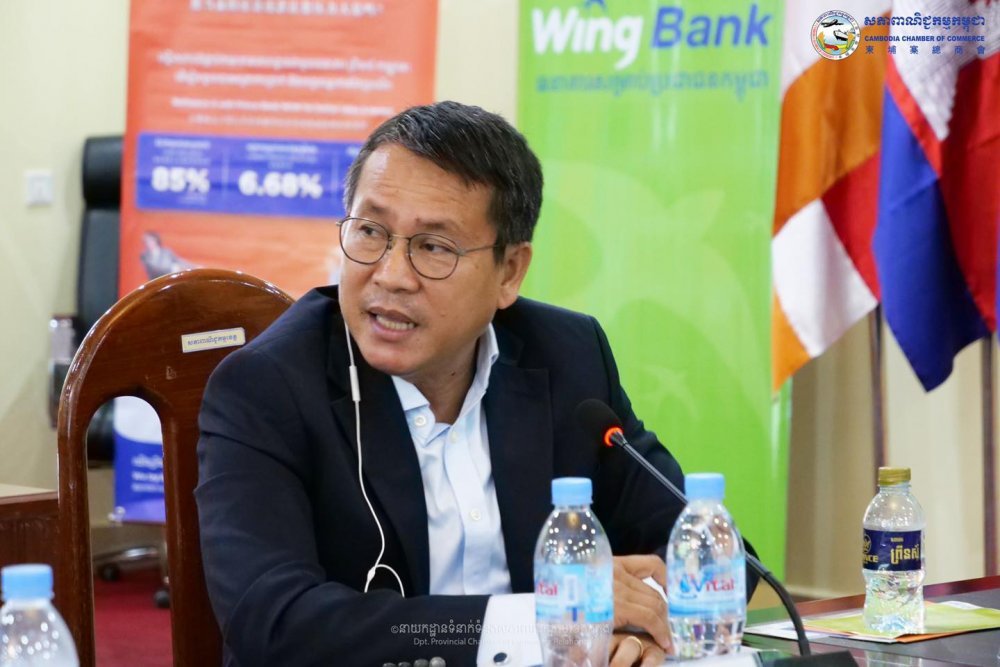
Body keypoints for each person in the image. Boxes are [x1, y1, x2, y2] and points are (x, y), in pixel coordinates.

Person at [196, 101, 752, 667]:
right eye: (369, 232)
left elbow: (710, 550)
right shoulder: (267, 387)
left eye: (433, 247)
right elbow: (273, 621)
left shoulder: (567, 357)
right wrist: (542, 619)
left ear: (509, 272)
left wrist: (644, 617)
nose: (391, 275)